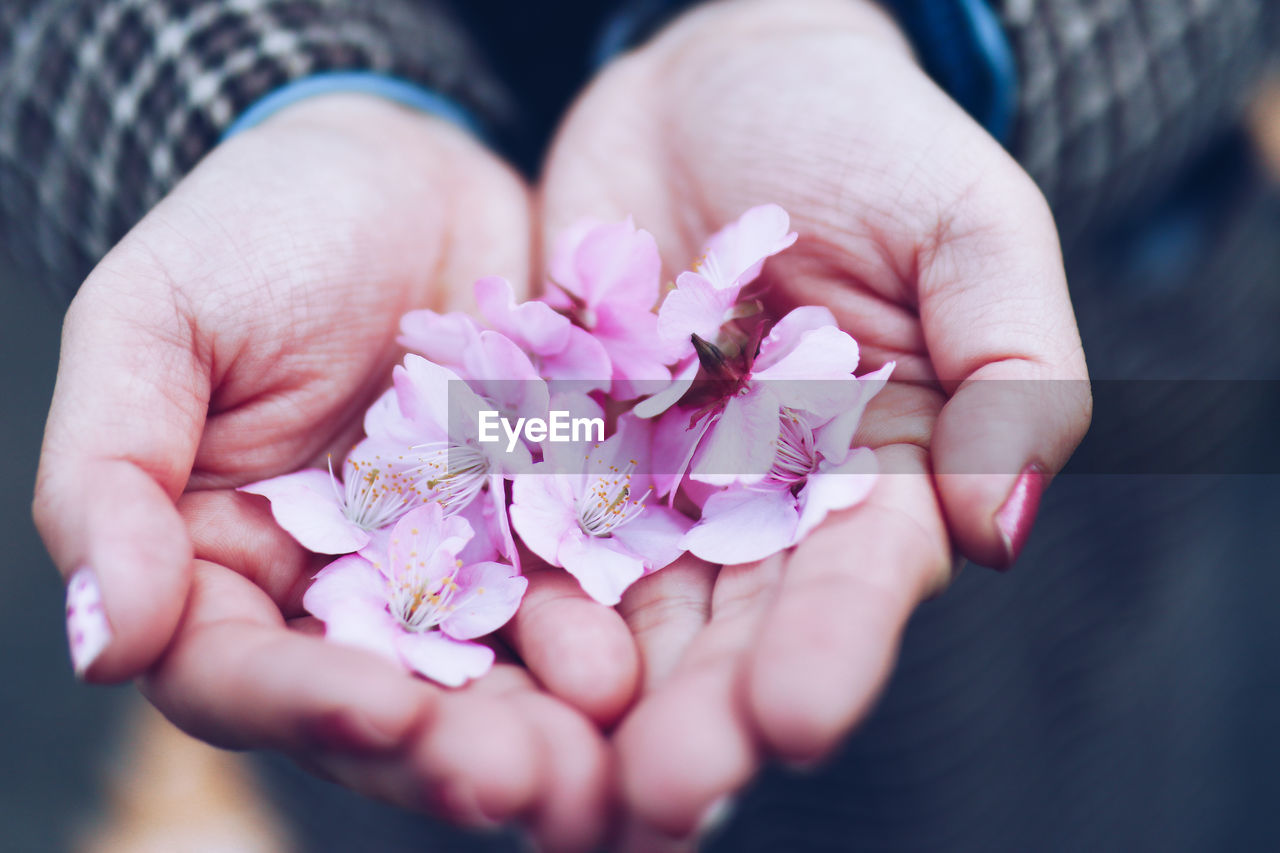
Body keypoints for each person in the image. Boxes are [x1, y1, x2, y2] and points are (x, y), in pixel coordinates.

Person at [5, 1, 1278, 850]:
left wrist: (894, 27)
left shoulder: (747, 386)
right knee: (423, 783)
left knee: (1051, 791)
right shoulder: (494, 463)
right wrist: (272, 102)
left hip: (1061, 517)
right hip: (429, 703)